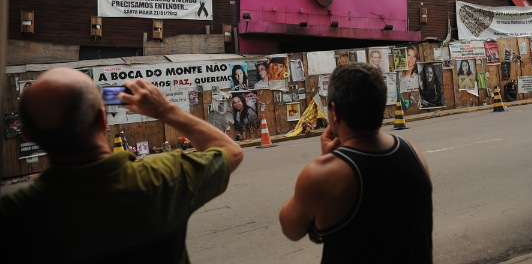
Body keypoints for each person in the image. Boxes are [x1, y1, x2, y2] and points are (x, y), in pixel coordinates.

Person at [0, 68, 243, 263]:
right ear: (102, 118)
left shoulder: (16, 214)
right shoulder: (162, 179)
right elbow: (231, 152)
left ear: (29, 135)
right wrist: (167, 110)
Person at [279, 63, 432, 263]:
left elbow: (290, 228)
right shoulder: (414, 152)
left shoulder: (322, 176)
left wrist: (325, 161)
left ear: (334, 111)